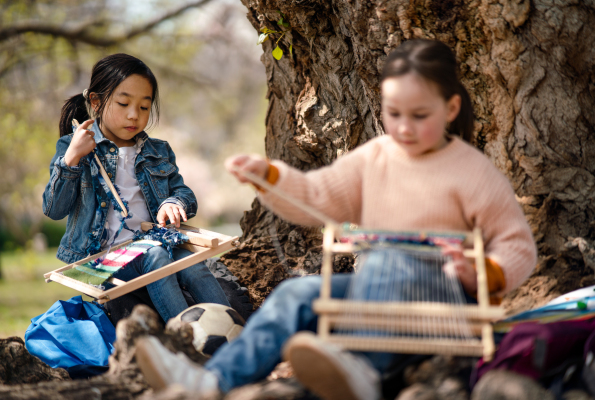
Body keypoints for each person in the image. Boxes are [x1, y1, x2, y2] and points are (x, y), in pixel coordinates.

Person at [134, 39, 537, 399]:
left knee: (390, 258)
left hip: (444, 297)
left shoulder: (471, 170)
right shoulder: (377, 156)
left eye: (419, 115)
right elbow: (317, 197)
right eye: (393, 113)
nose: (403, 127)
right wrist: (269, 177)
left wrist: (484, 272)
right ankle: (211, 382)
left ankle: (361, 368)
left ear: (450, 108)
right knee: (297, 295)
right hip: (378, 292)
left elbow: (518, 246)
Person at [42, 53, 230, 323]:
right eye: (123, 103)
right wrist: (71, 158)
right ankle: (185, 337)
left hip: (155, 242)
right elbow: (53, 209)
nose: (134, 115)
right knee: (156, 257)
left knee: (193, 265)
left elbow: (184, 193)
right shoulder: (74, 147)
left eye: (144, 107)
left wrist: (174, 203)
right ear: (96, 101)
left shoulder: (158, 151)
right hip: (102, 261)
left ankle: (233, 330)